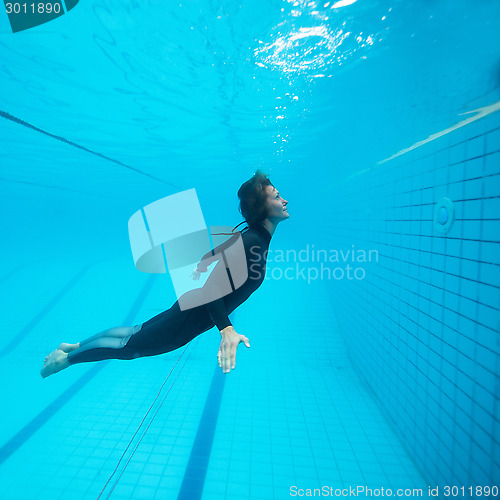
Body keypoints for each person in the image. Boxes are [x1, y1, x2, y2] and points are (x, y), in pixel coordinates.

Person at [40, 171, 289, 378]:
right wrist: (226, 329)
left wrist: (204, 262)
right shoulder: (253, 241)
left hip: (191, 307)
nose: (284, 200)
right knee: (130, 347)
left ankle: (74, 347)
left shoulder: (251, 235)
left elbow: (221, 252)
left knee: (134, 333)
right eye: (277, 197)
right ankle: (66, 360)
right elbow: (213, 286)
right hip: (191, 316)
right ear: (262, 208)